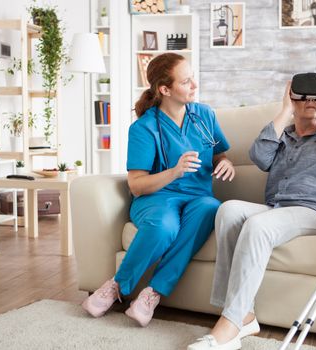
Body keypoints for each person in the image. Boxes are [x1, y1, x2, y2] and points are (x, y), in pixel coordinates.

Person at [188, 80, 316, 350]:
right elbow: (260, 157)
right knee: (229, 210)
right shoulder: (283, 135)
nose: (311, 101)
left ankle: (229, 325)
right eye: (303, 96)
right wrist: (284, 113)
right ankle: (242, 315)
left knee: (258, 226)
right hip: (279, 208)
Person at [82, 53, 236, 327]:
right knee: (164, 227)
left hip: (198, 198)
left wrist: (225, 163)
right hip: (156, 198)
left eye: (192, 78)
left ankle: (152, 293)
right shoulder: (144, 128)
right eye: (186, 81)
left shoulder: (204, 116)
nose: (194, 85)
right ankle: (117, 286)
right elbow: (136, 185)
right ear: (164, 89)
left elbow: (219, 154)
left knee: (212, 207)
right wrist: (174, 171)